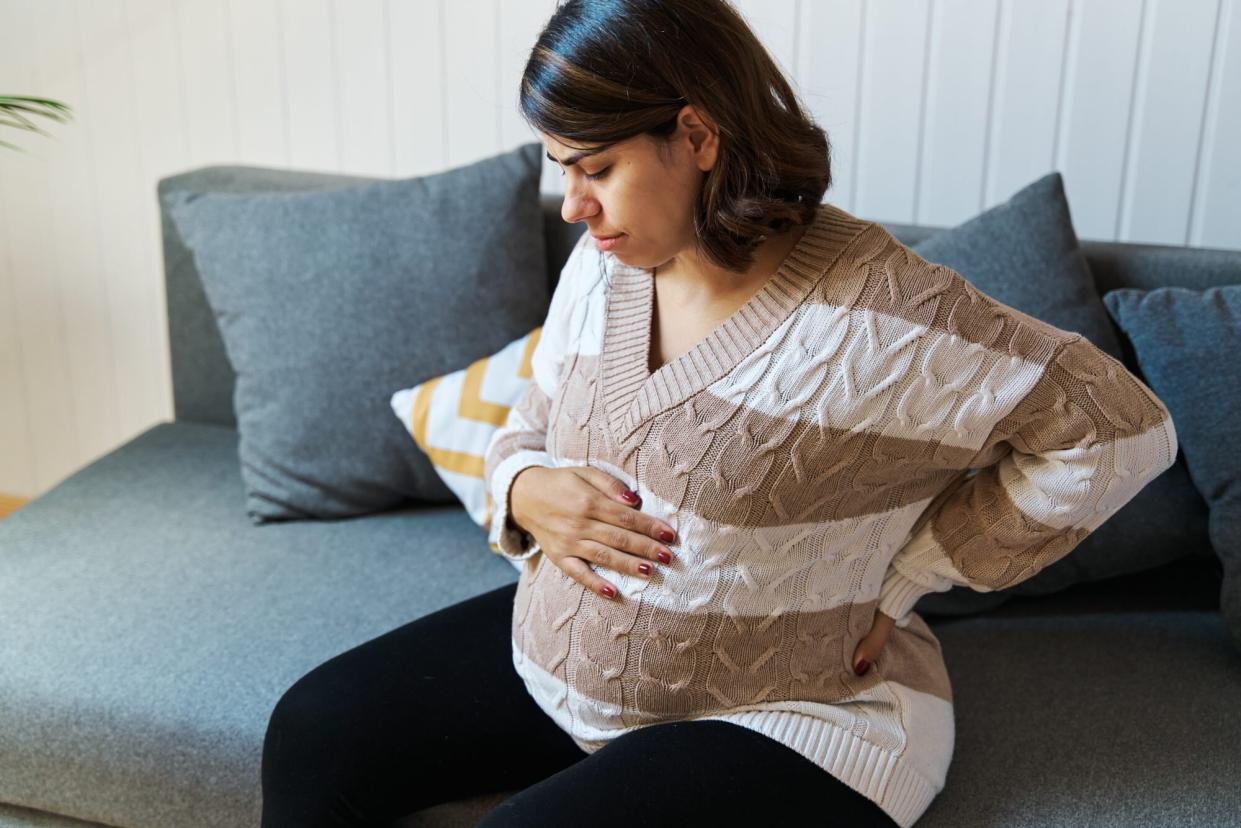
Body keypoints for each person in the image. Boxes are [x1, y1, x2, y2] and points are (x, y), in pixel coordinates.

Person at [260, 1, 1179, 826]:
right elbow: (537, 413)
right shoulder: (607, 257)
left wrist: (910, 573)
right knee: (313, 728)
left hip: (795, 712)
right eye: (560, 168)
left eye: (598, 168)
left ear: (696, 135)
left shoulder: (886, 320)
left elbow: (1117, 432)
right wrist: (523, 484)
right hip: (571, 672)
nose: (573, 205)